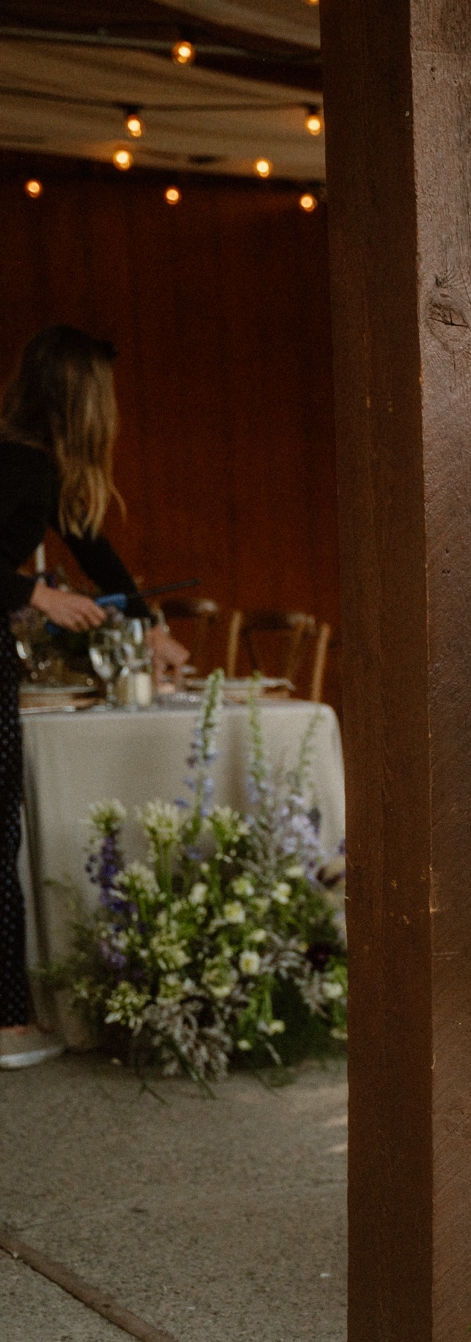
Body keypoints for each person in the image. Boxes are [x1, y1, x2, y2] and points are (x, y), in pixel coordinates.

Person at [0, 325, 188, 1068]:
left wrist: (150, 627)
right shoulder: (18, 466)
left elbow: (94, 551)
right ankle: (9, 1024)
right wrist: (35, 594)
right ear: (81, 399)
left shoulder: (33, 466)